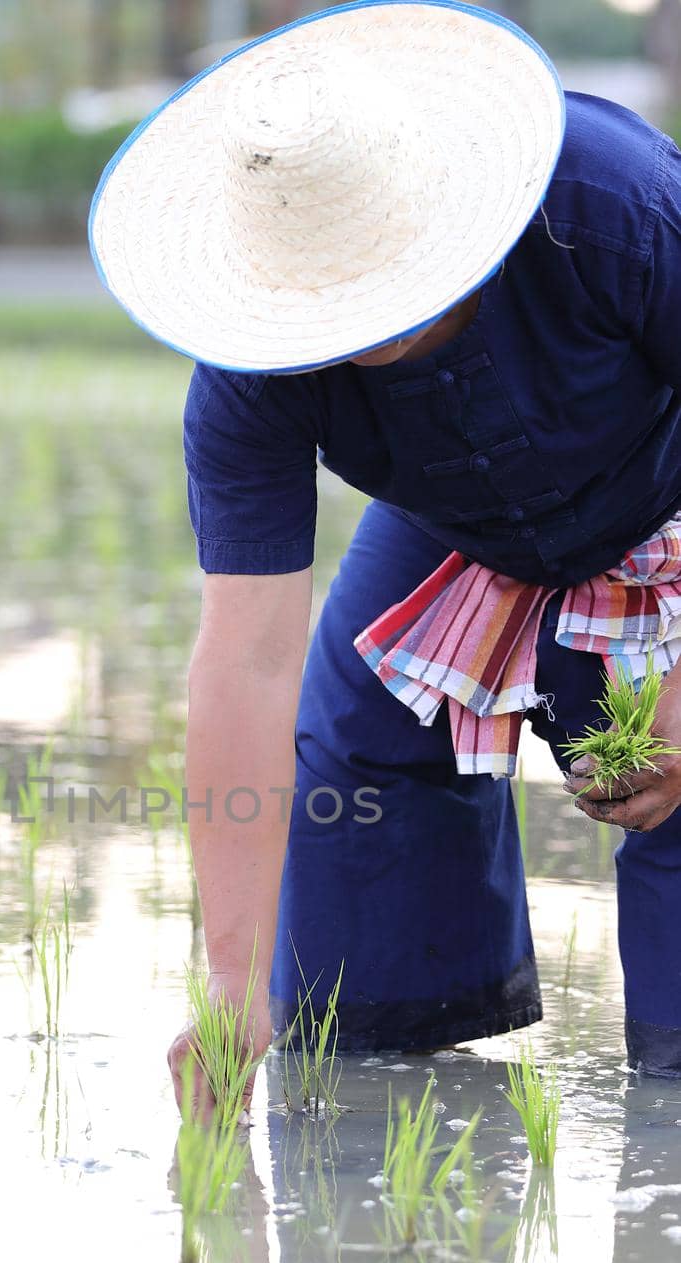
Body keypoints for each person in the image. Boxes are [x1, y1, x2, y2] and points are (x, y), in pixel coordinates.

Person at [89, 0, 681, 1097]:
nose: (360, 330)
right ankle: (390, 1100)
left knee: (666, 787)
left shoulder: (611, 203)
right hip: (453, 528)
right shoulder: (247, 373)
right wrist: (233, 980)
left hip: (661, 494)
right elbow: (245, 660)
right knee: (351, 756)